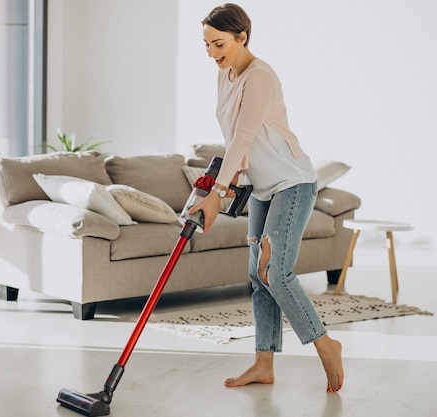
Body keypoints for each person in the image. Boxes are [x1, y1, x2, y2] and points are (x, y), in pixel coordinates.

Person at [189, 3, 344, 393]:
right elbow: (235, 143)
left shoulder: (260, 77)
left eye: (218, 44)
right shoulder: (225, 74)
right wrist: (219, 187)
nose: (211, 53)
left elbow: (244, 134)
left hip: (291, 183)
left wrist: (216, 196)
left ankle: (325, 344)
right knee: (258, 278)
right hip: (260, 188)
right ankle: (263, 363)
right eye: (206, 45)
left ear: (242, 37)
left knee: (275, 272)